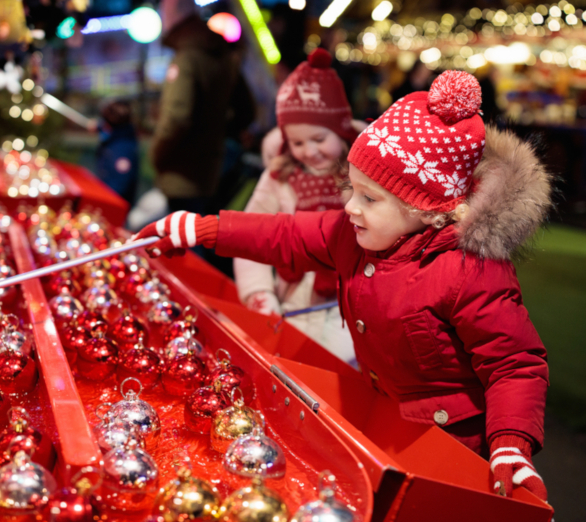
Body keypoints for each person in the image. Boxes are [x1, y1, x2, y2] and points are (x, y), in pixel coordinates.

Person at [135, 70, 552, 501]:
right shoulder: (352, 235)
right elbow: (285, 235)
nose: (350, 207)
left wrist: (510, 444)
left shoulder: (470, 271)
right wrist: (203, 229)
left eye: (369, 198)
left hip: (455, 447)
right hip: (386, 422)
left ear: (429, 211)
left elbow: (514, 363)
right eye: (352, 190)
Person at [234, 49, 361, 365]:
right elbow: (250, 236)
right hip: (291, 302)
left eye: (319, 138)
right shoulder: (279, 176)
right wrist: (258, 292)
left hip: (350, 306)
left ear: (342, 130)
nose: (309, 151)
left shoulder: (362, 176)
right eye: (298, 142)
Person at [150, 0, 239, 215]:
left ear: (173, 14)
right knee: (200, 235)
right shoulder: (224, 56)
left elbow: (177, 118)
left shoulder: (187, 57)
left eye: (164, 12)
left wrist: (156, 155)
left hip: (182, 173)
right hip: (211, 171)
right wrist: (214, 134)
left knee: (182, 240)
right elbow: (246, 111)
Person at [95, 99, 139, 206]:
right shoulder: (119, 134)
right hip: (105, 195)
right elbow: (104, 129)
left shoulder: (123, 148)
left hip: (113, 204)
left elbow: (119, 186)